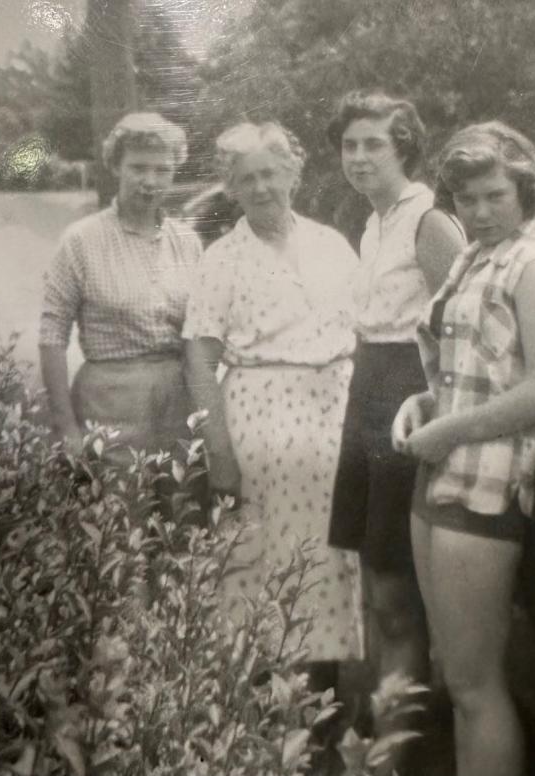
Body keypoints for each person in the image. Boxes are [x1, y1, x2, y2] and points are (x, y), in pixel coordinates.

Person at [391, 122, 535, 776]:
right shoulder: (472, 257)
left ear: (524, 190)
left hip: (487, 482)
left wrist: (450, 430)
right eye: (468, 200)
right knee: (456, 681)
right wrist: (427, 404)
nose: (482, 211)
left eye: (496, 195)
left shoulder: (534, 268)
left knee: (476, 684)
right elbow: (466, 370)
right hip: (439, 472)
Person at [182, 122, 363, 677]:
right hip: (259, 428)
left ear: (293, 174)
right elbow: (199, 357)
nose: (261, 187)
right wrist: (219, 455)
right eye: (246, 179)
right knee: (261, 565)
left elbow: (364, 329)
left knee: (330, 561)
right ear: (230, 189)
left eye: (270, 173)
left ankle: (326, 705)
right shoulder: (222, 259)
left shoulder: (331, 244)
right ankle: (260, 714)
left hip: (333, 421)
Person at [325, 91, 465, 700]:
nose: (358, 158)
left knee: (395, 588)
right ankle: (390, 734)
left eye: (373, 144)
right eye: (349, 146)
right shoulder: (374, 220)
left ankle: (399, 754)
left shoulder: (428, 220)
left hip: (409, 393)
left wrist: (436, 408)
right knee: (376, 579)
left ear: (403, 147)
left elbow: (467, 328)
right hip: (369, 387)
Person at [39, 112, 201, 464]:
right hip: (108, 407)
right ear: (115, 166)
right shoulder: (80, 241)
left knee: (182, 510)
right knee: (119, 512)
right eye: (138, 168)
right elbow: (52, 336)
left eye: (162, 170)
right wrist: (65, 425)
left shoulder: (188, 242)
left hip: (178, 405)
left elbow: (200, 332)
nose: (150, 181)